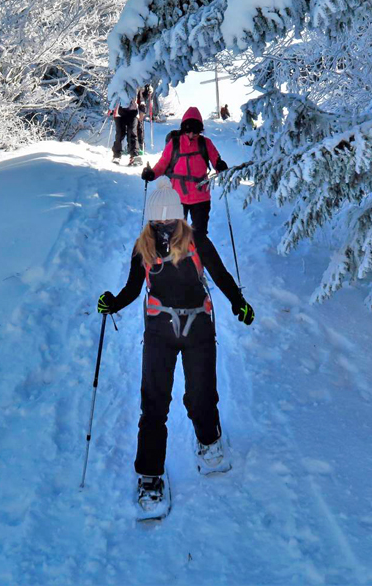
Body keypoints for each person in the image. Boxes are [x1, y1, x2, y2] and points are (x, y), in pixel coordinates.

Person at [96, 181, 255, 519]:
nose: (165, 229)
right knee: (153, 403)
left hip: (198, 326)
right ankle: (150, 475)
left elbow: (221, 275)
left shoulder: (197, 241)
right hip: (160, 330)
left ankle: (209, 438)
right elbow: (132, 288)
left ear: (181, 220)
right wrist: (113, 303)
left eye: (170, 223)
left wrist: (238, 303)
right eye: (158, 223)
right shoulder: (143, 249)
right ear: (150, 222)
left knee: (201, 393)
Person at [141, 106, 228, 236]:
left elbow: (216, 161)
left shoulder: (205, 143)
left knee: (200, 235)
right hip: (177, 197)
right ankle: (181, 256)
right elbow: (163, 164)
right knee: (178, 236)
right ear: (183, 129)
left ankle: (198, 255)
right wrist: (152, 174)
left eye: (196, 132)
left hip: (201, 198)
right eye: (188, 131)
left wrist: (220, 166)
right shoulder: (175, 143)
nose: (192, 135)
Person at [111, 94, 140, 166]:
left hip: (133, 111)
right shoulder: (119, 83)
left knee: (132, 133)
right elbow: (112, 93)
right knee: (120, 134)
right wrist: (111, 107)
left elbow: (142, 92)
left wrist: (148, 90)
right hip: (119, 111)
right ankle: (117, 155)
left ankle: (134, 155)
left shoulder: (135, 83)